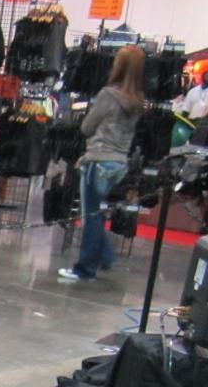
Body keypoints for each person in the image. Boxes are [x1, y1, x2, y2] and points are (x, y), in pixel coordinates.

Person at [58, 45, 145, 282]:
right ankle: (105, 256)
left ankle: (85, 268)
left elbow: (87, 127)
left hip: (98, 161)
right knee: (96, 214)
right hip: (119, 163)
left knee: (91, 216)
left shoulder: (108, 95)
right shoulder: (137, 101)